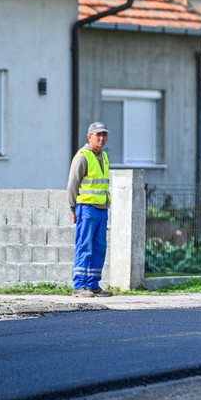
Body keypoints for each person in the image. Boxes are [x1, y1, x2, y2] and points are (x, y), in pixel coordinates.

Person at [67, 121, 113, 297]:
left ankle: (93, 285)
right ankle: (79, 286)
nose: (101, 138)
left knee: (99, 247)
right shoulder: (82, 156)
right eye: (97, 135)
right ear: (90, 137)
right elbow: (72, 184)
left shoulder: (105, 157)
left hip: (101, 209)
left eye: (104, 134)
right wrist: (73, 208)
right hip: (86, 209)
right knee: (84, 247)